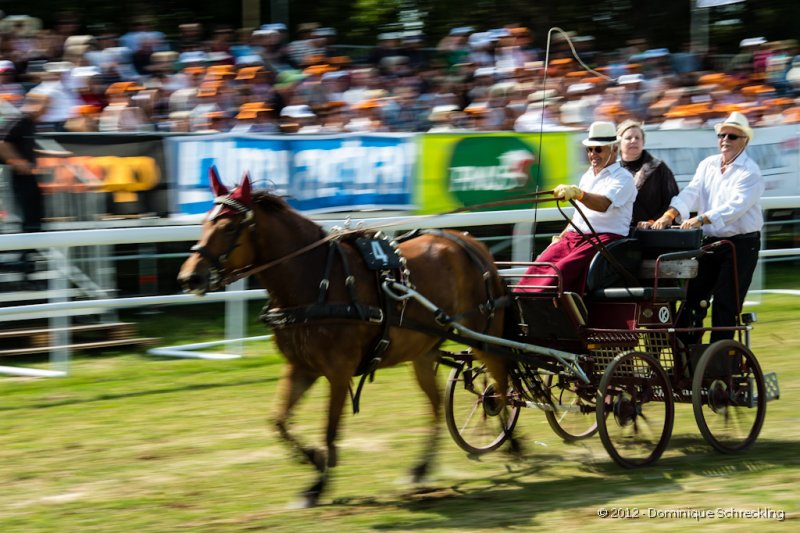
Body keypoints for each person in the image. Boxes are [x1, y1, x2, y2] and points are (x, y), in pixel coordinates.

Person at [642, 112, 764, 344]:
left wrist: (702, 218)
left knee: (725, 304)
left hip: (741, 244)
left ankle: (720, 362)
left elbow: (735, 207)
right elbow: (691, 193)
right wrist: (671, 214)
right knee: (692, 298)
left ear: (744, 141)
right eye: (722, 135)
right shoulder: (708, 164)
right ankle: (687, 356)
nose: (725, 139)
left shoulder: (750, 172)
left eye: (732, 136)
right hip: (712, 242)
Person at [517, 121, 637, 293]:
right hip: (575, 237)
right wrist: (560, 237)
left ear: (614, 149)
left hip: (604, 240)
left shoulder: (624, 178)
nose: (593, 154)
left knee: (557, 275)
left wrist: (579, 194)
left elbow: (603, 204)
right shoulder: (587, 176)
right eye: (589, 149)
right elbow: (579, 217)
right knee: (536, 270)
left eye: (598, 149)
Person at [0, 92, 47, 279]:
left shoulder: (29, 123)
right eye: (45, 105)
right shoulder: (20, 120)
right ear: (34, 104)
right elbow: (3, 144)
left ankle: (27, 260)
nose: (47, 110)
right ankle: (24, 261)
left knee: (34, 219)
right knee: (30, 219)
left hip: (26, 178)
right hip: (19, 178)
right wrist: (18, 162)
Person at [617, 119, 679, 228]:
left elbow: (673, 202)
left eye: (637, 138)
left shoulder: (658, 167)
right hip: (619, 231)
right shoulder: (613, 169)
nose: (633, 141)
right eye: (628, 138)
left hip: (651, 233)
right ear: (619, 143)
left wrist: (652, 222)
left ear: (643, 142)